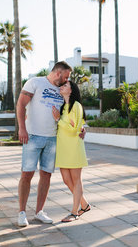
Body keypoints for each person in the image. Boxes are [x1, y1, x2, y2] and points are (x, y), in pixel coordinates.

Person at [16, 61, 74, 227]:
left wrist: (81, 128)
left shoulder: (63, 90)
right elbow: (21, 104)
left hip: (52, 139)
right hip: (32, 136)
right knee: (26, 174)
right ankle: (21, 213)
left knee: (46, 175)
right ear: (58, 73)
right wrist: (22, 128)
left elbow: (70, 112)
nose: (67, 79)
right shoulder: (35, 82)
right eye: (66, 76)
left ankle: (39, 212)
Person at [53, 80, 91, 222]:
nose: (61, 87)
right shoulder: (63, 107)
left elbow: (75, 130)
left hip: (74, 147)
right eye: (61, 85)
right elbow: (69, 127)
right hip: (63, 148)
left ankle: (74, 212)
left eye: (65, 85)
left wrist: (59, 120)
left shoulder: (77, 106)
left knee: (76, 181)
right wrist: (64, 122)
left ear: (71, 90)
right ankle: (84, 204)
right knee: (66, 179)